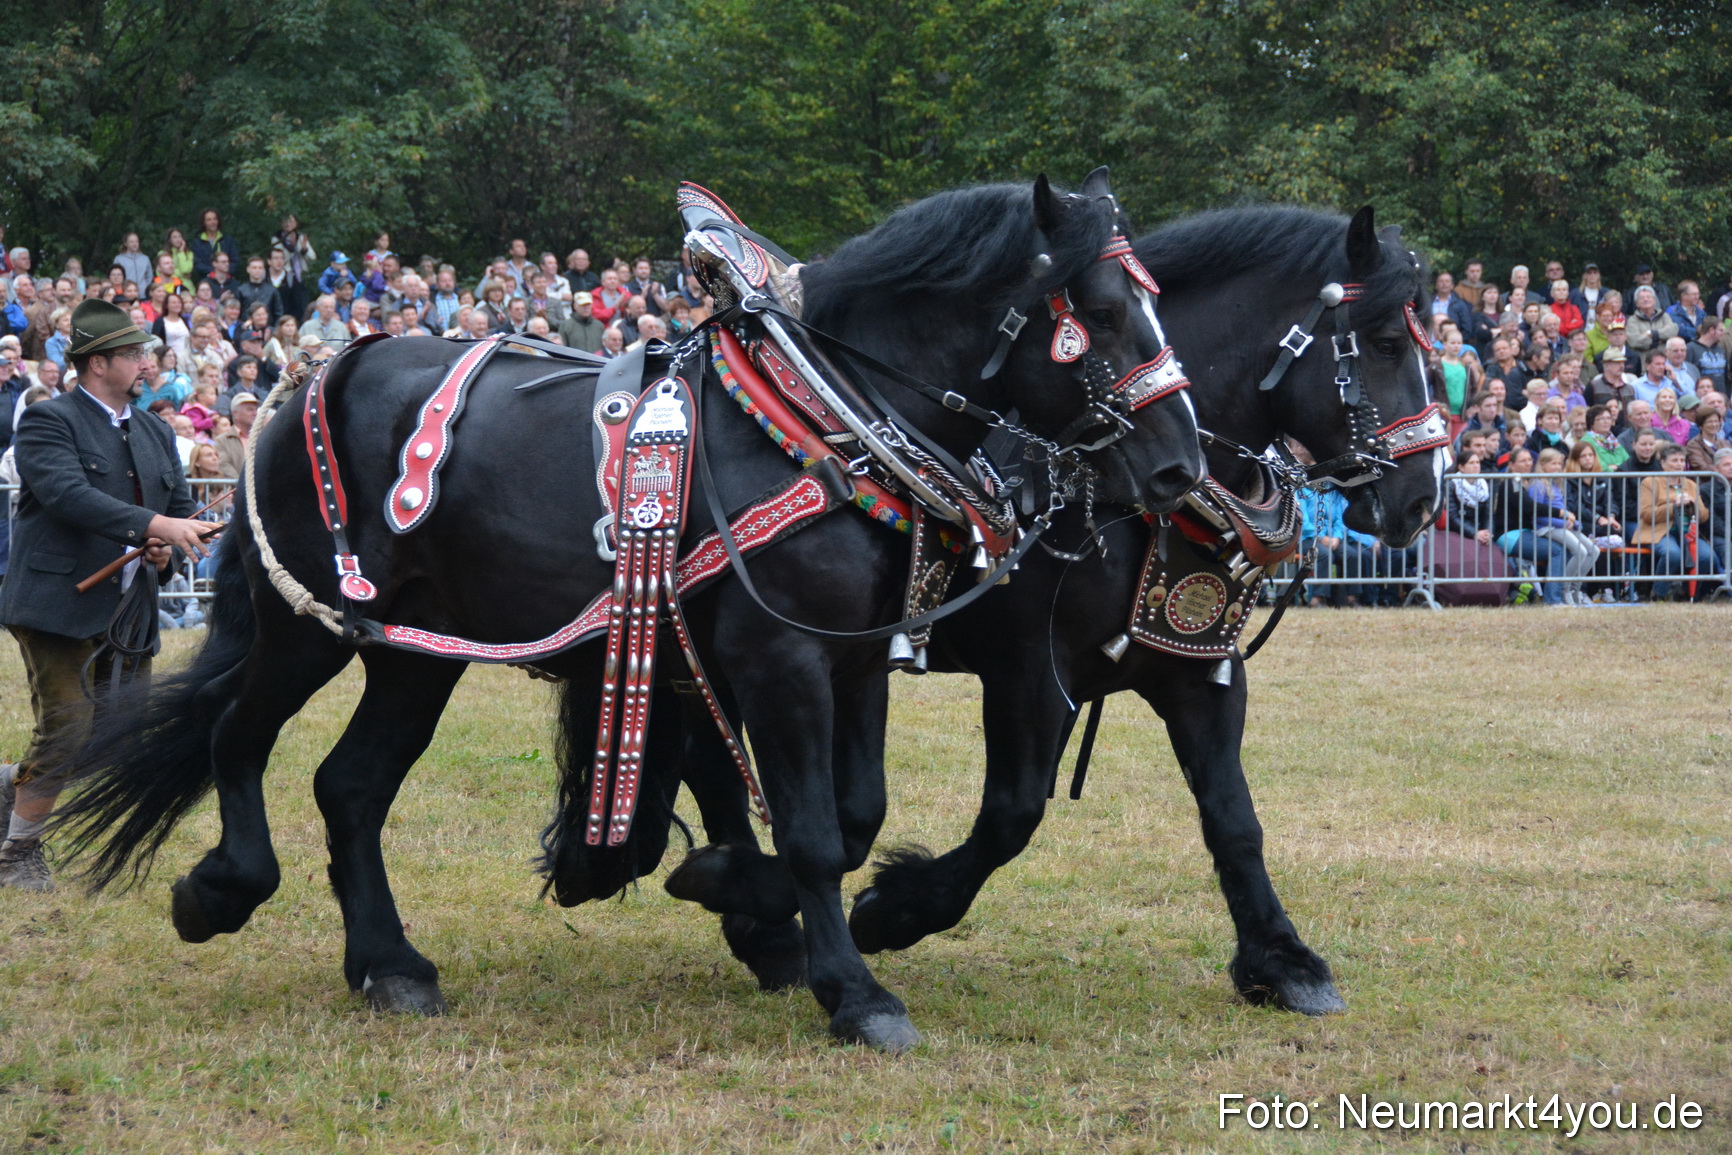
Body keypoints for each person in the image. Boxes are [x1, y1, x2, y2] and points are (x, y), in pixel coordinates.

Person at [0, 300, 220, 890]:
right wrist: (153, 526)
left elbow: (179, 512)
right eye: (134, 354)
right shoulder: (48, 420)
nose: (147, 363)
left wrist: (168, 549)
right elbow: (68, 495)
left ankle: (10, 786)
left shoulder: (154, 430)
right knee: (69, 728)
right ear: (97, 363)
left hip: (130, 612)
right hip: (57, 604)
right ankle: (18, 854)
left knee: (113, 739)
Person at [1634, 443, 1724, 599]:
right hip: (1661, 532)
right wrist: (1673, 505)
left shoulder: (1691, 484)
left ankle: (1687, 594)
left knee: (1708, 557)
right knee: (1673, 554)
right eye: (1674, 460)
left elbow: (1704, 516)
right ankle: (1659, 594)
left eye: (1682, 460)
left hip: (1688, 533)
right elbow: (1647, 514)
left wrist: (1694, 505)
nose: (1679, 464)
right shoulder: (1650, 482)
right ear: (1663, 463)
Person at [1528, 447, 1599, 605]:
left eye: (1559, 464)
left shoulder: (1555, 484)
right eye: (1553, 464)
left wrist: (1574, 522)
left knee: (1594, 550)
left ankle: (1576, 589)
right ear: (1543, 465)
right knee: (1580, 551)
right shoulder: (1537, 484)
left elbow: (1562, 508)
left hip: (1562, 525)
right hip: (1546, 527)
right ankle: (1564, 589)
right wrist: (1564, 522)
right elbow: (1537, 513)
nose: (1557, 467)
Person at [213, 391, 259, 478]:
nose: (255, 413)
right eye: (250, 409)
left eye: (255, 409)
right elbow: (224, 465)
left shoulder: (263, 437)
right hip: (237, 485)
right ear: (235, 413)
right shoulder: (222, 441)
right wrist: (241, 483)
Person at [1625, 286, 1678, 355]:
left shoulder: (1664, 316)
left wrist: (1650, 333)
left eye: (1649, 297)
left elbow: (1673, 332)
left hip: (1664, 358)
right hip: (1644, 359)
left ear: (1654, 301)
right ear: (1637, 303)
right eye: (1642, 298)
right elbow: (1634, 342)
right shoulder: (1632, 320)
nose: (1646, 299)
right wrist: (1661, 338)